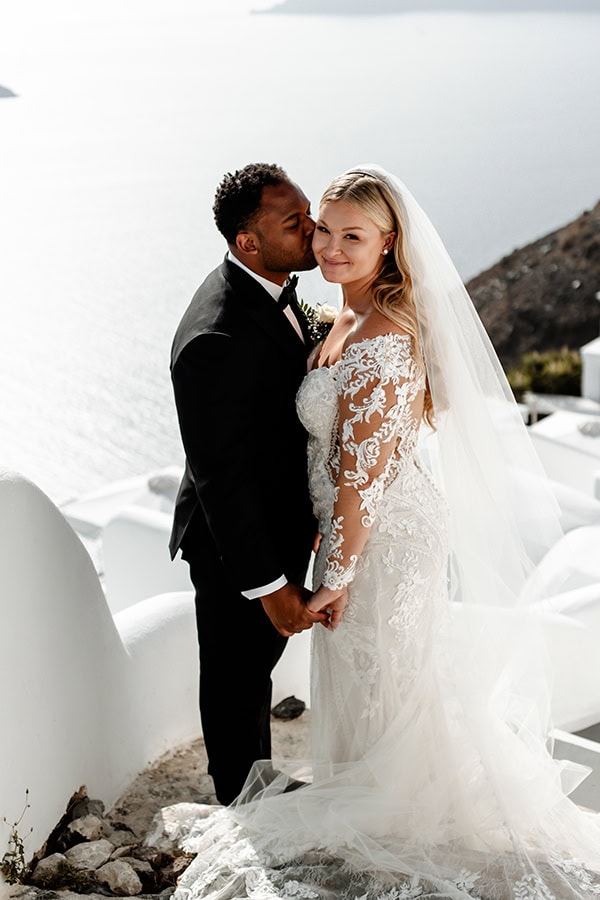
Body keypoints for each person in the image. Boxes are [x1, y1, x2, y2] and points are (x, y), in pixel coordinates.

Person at [173, 166, 600, 899]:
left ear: (390, 242)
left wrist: (333, 577)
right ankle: (316, 796)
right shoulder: (318, 319)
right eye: (311, 227)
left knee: (388, 682)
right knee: (332, 684)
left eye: (344, 232)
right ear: (248, 242)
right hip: (322, 539)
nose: (321, 242)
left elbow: (359, 484)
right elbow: (234, 463)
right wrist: (293, 575)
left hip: (379, 539)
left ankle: (397, 819)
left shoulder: (379, 341)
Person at [169, 162, 327, 807]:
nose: (313, 229)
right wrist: (271, 587)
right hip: (235, 545)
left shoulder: (275, 286)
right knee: (235, 676)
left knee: (255, 670)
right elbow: (222, 479)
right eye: (295, 223)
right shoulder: (215, 336)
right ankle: (241, 802)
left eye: (308, 211)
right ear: (249, 244)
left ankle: (256, 781)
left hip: (279, 523)